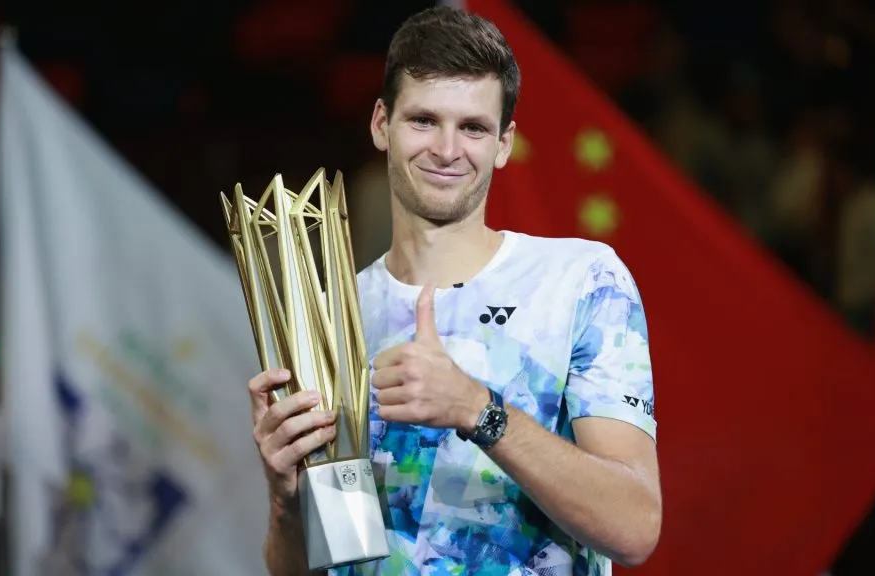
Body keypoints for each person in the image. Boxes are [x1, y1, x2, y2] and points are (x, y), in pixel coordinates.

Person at [247, 6, 662, 575]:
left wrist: (474, 407)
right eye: (423, 121)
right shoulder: (337, 317)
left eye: (472, 127)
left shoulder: (582, 281)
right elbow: (334, 558)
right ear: (379, 124)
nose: (446, 150)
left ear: (503, 143)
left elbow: (634, 527)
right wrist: (286, 500)